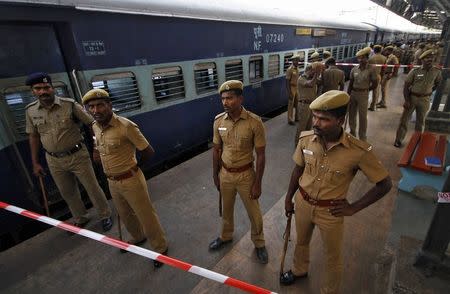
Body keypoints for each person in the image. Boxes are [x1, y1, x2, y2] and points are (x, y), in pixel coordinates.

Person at [280, 90, 392, 294]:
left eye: (324, 119)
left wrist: (353, 208)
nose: (316, 123)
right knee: (301, 242)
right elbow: (298, 169)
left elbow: (384, 184)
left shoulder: (358, 151)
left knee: (333, 256)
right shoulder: (306, 139)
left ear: (340, 120)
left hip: (330, 212)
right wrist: (289, 198)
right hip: (303, 202)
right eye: (315, 117)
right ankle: (299, 270)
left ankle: (329, 291)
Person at [82, 89, 168, 268]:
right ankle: (138, 237)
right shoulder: (95, 126)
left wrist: (134, 169)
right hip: (112, 181)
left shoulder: (126, 126)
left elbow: (148, 151)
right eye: (91, 107)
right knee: (125, 214)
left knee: (146, 215)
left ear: (109, 105)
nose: (96, 110)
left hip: (131, 180)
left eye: (100, 105)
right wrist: (95, 153)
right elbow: (96, 142)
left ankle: (160, 248)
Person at [25, 72, 113, 231]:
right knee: (67, 192)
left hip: (78, 155)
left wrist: (96, 148)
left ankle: (105, 214)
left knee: (92, 187)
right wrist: (35, 162)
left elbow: (92, 124)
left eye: (46, 87)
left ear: (52, 88)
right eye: (38, 88)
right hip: (53, 159)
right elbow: (33, 136)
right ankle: (81, 217)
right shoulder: (31, 111)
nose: (43, 91)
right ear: (33, 91)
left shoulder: (70, 105)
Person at [210, 80, 268, 264]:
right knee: (226, 210)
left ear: (240, 98)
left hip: (246, 176)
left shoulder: (254, 122)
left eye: (230, 98)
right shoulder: (218, 121)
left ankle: (259, 243)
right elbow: (216, 150)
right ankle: (226, 236)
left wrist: (257, 183)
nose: (225, 102)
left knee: (254, 212)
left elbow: (260, 155)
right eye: (223, 99)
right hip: (225, 174)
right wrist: (215, 175)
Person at [394, 50, 442, 148]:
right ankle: (398, 140)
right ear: (422, 60)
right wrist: (407, 100)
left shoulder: (436, 72)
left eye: (431, 58)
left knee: (421, 122)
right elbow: (406, 86)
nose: (430, 60)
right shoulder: (415, 71)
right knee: (404, 120)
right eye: (427, 58)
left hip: (425, 100)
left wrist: (429, 92)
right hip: (413, 98)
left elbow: (437, 83)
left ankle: (417, 140)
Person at [347, 47, 378, 141]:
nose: (360, 60)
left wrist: (367, 90)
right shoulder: (354, 69)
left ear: (367, 58)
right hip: (353, 94)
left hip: (363, 94)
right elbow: (350, 83)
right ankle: (352, 133)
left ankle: (362, 136)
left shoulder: (372, 69)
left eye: (362, 58)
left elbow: (375, 83)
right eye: (359, 58)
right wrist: (348, 95)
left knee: (363, 116)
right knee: (352, 114)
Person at [295, 65, 319, 145]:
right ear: (309, 71)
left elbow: (321, 82)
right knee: (302, 126)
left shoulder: (311, 78)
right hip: (303, 105)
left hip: (311, 105)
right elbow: (310, 84)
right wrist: (316, 74)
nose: (314, 74)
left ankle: (305, 143)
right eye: (313, 72)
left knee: (309, 126)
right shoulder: (301, 79)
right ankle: (298, 144)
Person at [368, 45, 387, 111]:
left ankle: (364, 103)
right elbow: (383, 69)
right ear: (380, 50)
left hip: (369, 76)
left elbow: (368, 68)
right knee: (376, 92)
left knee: (367, 90)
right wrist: (381, 76)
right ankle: (373, 106)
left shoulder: (370, 58)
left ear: (374, 50)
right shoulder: (384, 58)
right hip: (378, 75)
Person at [286, 54, 301, 125]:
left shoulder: (297, 69)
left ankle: (297, 117)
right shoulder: (290, 69)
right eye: (296, 60)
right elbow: (287, 82)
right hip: (292, 87)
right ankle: (290, 119)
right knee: (291, 105)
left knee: (297, 103)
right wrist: (289, 92)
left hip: (297, 88)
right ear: (293, 61)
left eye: (298, 60)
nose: (298, 62)